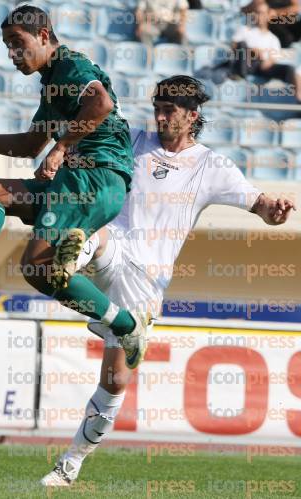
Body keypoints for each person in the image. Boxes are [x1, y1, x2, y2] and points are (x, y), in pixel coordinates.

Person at [39, 75, 296, 486]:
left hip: (147, 280)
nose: (160, 116)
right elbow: (80, 124)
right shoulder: (134, 141)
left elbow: (259, 204)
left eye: (169, 110)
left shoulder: (212, 166)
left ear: (192, 115)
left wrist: (275, 211)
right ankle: (74, 257)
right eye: (157, 107)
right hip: (115, 247)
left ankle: (70, 464)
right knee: (91, 236)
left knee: (113, 381)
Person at [0, 4, 150, 369]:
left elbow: (100, 103)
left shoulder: (72, 66)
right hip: (79, 180)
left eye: (17, 42)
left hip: (94, 175)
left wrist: (62, 147)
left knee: (37, 268)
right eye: (6, 45)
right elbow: (28, 146)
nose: (11, 54)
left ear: (43, 35)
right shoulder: (52, 88)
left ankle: (126, 323)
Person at [231, 1, 301, 100]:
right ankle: (240, 77)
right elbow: (234, 48)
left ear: (269, 15)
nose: (260, 16)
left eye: (263, 13)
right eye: (257, 12)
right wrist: (253, 51)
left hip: (263, 67)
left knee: (289, 69)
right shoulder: (244, 30)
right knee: (243, 45)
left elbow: (273, 58)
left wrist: (269, 61)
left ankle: (298, 98)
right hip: (246, 64)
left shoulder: (273, 38)